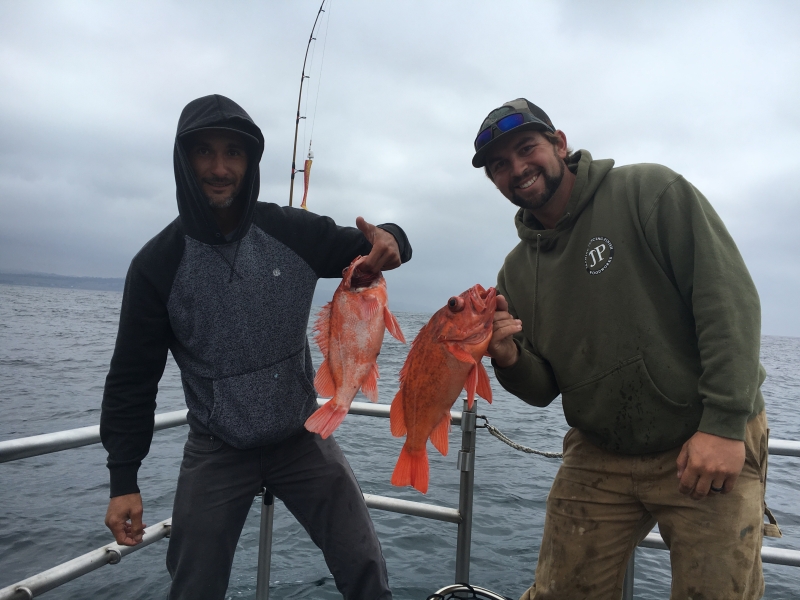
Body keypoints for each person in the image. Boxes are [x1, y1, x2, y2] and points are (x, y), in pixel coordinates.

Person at [100, 94, 411, 600]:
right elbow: (132, 380)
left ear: (250, 162)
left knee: (364, 562)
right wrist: (123, 480)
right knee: (193, 583)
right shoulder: (157, 264)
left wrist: (393, 237)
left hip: (302, 434)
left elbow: (374, 247)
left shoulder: (290, 231)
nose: (219, 167)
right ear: (183, 160)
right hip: (216, 447)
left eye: (234, 152)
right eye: (204, 151)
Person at [476, 98, 779, 600]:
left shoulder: (648, 191)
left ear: (559, 144)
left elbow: (728, 302)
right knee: (559, 593)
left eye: (527, 148)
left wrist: (724, 425)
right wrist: (509, 360)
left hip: (702, 437)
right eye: (499, 165)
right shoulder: (515, 271)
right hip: (600, 449)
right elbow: (544, 387)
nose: (517, 168)